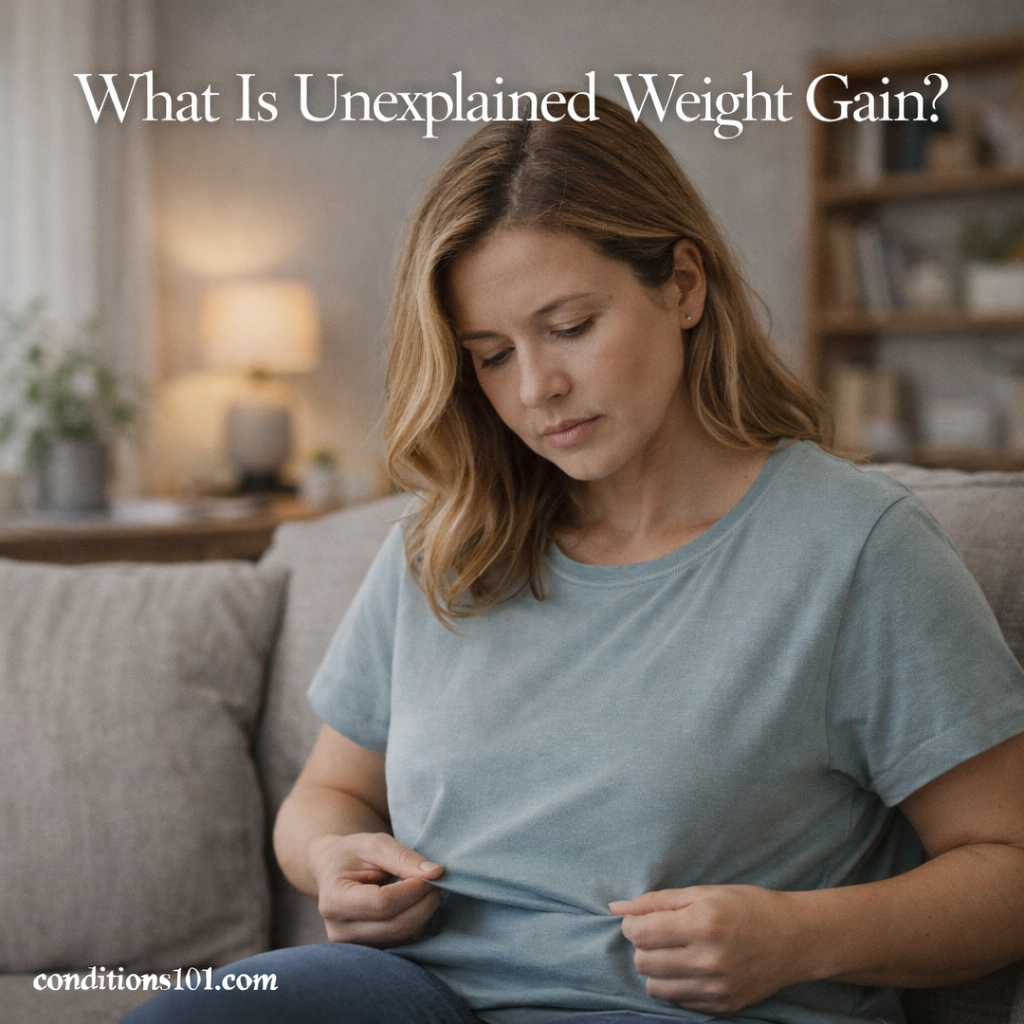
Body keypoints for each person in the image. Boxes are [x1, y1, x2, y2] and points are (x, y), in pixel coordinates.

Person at [124, 97, 1024, 1024]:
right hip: (416, 997)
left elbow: (1007, 864)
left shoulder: (854, 547)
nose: (536, 388)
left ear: (683, 285)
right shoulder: (443, 543)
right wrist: (331, 860)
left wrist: (800, 937)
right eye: (490, 355)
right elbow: (330, 792)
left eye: (569, 327)